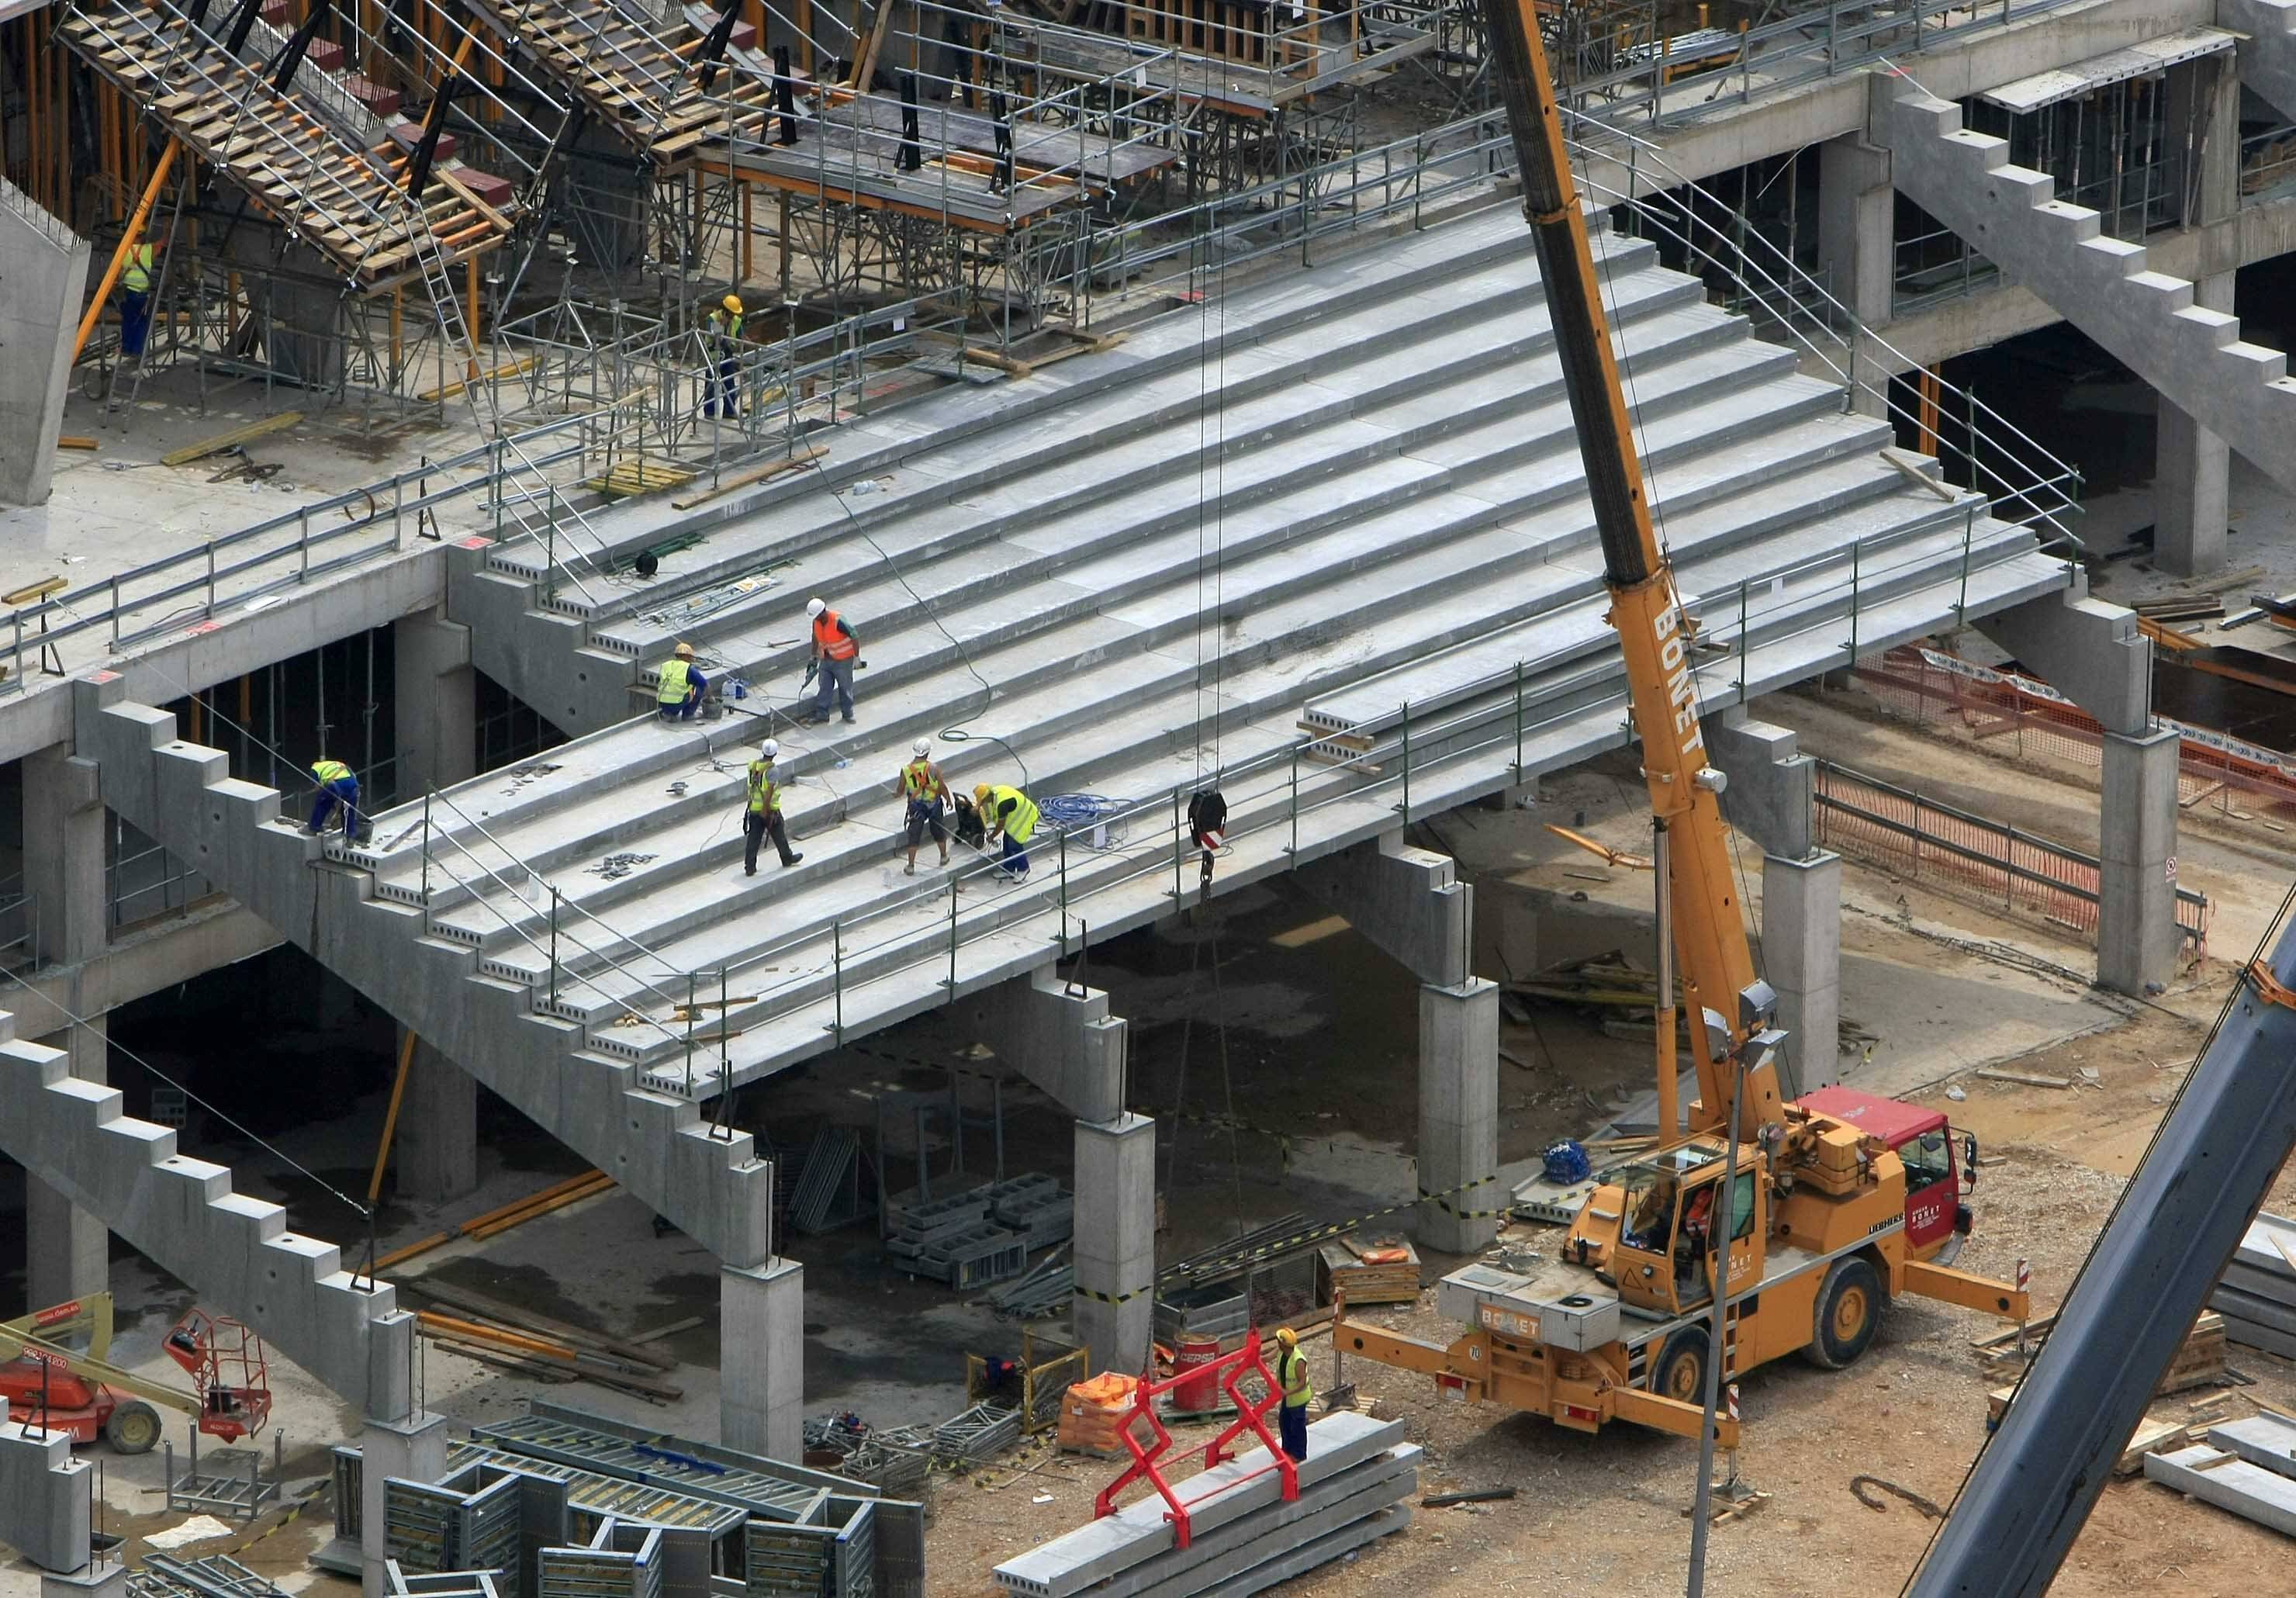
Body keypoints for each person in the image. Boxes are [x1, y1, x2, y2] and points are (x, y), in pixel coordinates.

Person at [742, 738, 804, 876]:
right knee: (779, 836)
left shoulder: (753, 766)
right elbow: (769, 791)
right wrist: (765, 810)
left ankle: (749, 867)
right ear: (775, 753)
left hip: (754, 808)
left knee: (753, 839)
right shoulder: (773, 770)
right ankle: (787, 858)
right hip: (769, 811)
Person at [892, 737, 949, 874]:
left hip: (916, 806)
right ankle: (943, 856)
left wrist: (896, 795)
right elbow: (942, 787)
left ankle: (911, 865)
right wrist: (949, 800)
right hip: (934, 803)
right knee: (938, 830)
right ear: (927, 753)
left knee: (914, 833)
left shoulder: (906, 770)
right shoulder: (934, 768)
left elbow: (900, 790)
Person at [804, 597, 859, 724]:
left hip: (843, 661)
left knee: (845, 688)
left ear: (823, 612)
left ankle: (847, 714)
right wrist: (813, 656)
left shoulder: (838, 620)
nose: (816, 619)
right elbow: (815, 638)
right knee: (824, 687)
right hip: (826, 659)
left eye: (818, 616)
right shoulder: (816, 622)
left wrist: (856, 657)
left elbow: (855, 635)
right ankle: (822, 714)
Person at [974, 781, 1037, 880]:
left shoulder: (1001, 804)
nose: (983, 803)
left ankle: (1023, 869)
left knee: (1014, 845)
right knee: (1006, 844)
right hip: (1015, 819)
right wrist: (977, 807)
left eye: (983, 801)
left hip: (1024, 818)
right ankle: (1009, 869)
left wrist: (992, 836)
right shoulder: (995, 793)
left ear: (986, 797)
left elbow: (1000, 825)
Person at [1274, 1326, 1312, 1461]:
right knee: (1284, 1422)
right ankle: (1287, 1450)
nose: (1277, 1343)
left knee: (1297, 1426)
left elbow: (1302, 1382)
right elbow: (1267, 1357)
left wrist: (1287, 1392)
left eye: (1279, 1341)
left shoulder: (1298, 1360)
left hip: (1297, 1399)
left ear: (1283, 1343)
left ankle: (1299, 1454)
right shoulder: (1282, 1352)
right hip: (1288, 1397)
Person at [704, 293, 744, 418]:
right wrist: (721, 325)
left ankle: (729, 411)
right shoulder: (714, 318)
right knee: (711, 385)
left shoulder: (736, 321)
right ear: (726, 311)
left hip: (727, 354)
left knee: (729, 383)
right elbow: (715, 338)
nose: (733, 316)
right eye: (731, 313)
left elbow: (741, 337)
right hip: (713, 355)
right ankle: (710, 412)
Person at [120, 239, 156, 361]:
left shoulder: (124, 248)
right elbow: (163, 243)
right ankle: (137, 350)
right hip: (141, 293)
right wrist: (167, 229)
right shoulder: (147, 249)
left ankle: (126, 348)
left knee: (128, 320)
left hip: (127, 292)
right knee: (140, 323)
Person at [308, 757, 360, 839]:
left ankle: (314, 827)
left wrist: (323, 795)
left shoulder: (314, 769)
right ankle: (350, 837)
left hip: (336, 784)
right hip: (354, 786)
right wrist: (337, 811)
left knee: (322, 803)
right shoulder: (335, 764)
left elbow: (317, 788)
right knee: (349, 811)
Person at [657, 642, 707, 721]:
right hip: (677, 703)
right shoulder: (688, 668)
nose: (691, 659)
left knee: (676, 688)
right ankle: (688, 715)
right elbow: (704, 684)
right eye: (690, 657)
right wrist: (710, 697)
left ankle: (669, 714)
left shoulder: (665, 665)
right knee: (698, 688)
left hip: (662, 703)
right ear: (686, 656)